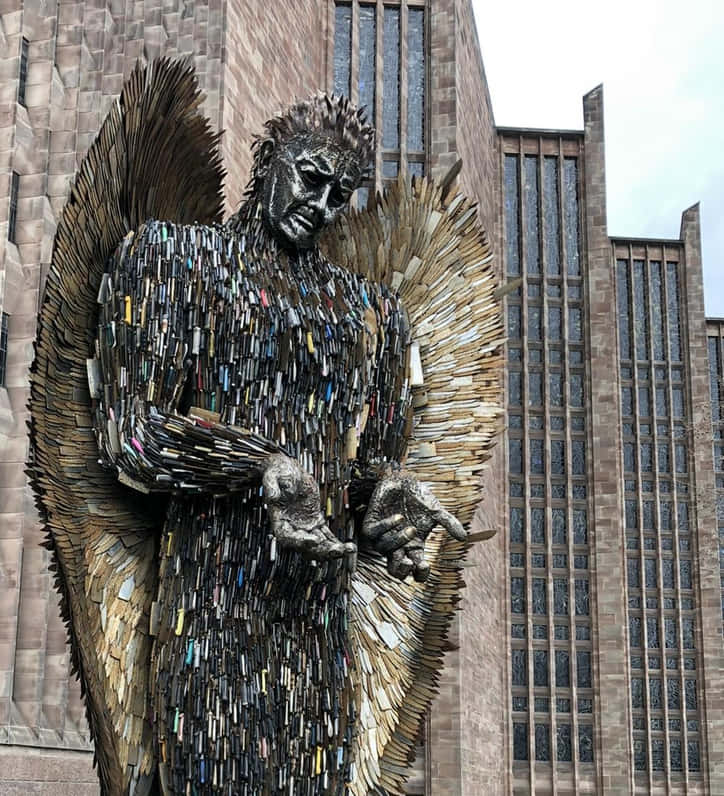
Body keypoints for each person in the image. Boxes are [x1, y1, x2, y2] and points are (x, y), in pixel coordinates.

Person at [89, 93, 466, 794]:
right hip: (211, 622)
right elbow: (130, 435)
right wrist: (258, 464)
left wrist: (382, 500)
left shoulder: (373, 317)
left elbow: (367, 469)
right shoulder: (176, 263)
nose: (321, 206)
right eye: (309, 178)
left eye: (339, 194)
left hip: (316, 634)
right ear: (269, 162)